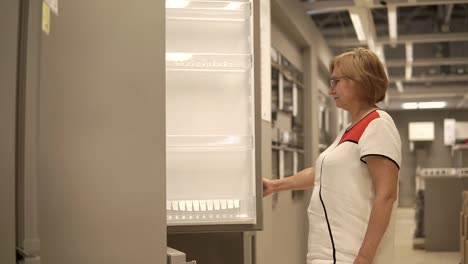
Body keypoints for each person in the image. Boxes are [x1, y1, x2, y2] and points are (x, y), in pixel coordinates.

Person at [263, 47, 402, 264]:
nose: (331, 90)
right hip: (327, 253)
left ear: (358, 80)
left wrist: (364, 258)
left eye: (336, 81)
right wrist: (275, 186)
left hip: (351, 255)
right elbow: (320, 173)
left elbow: (387, 195)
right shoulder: (349, 130)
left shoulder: (378, 124)